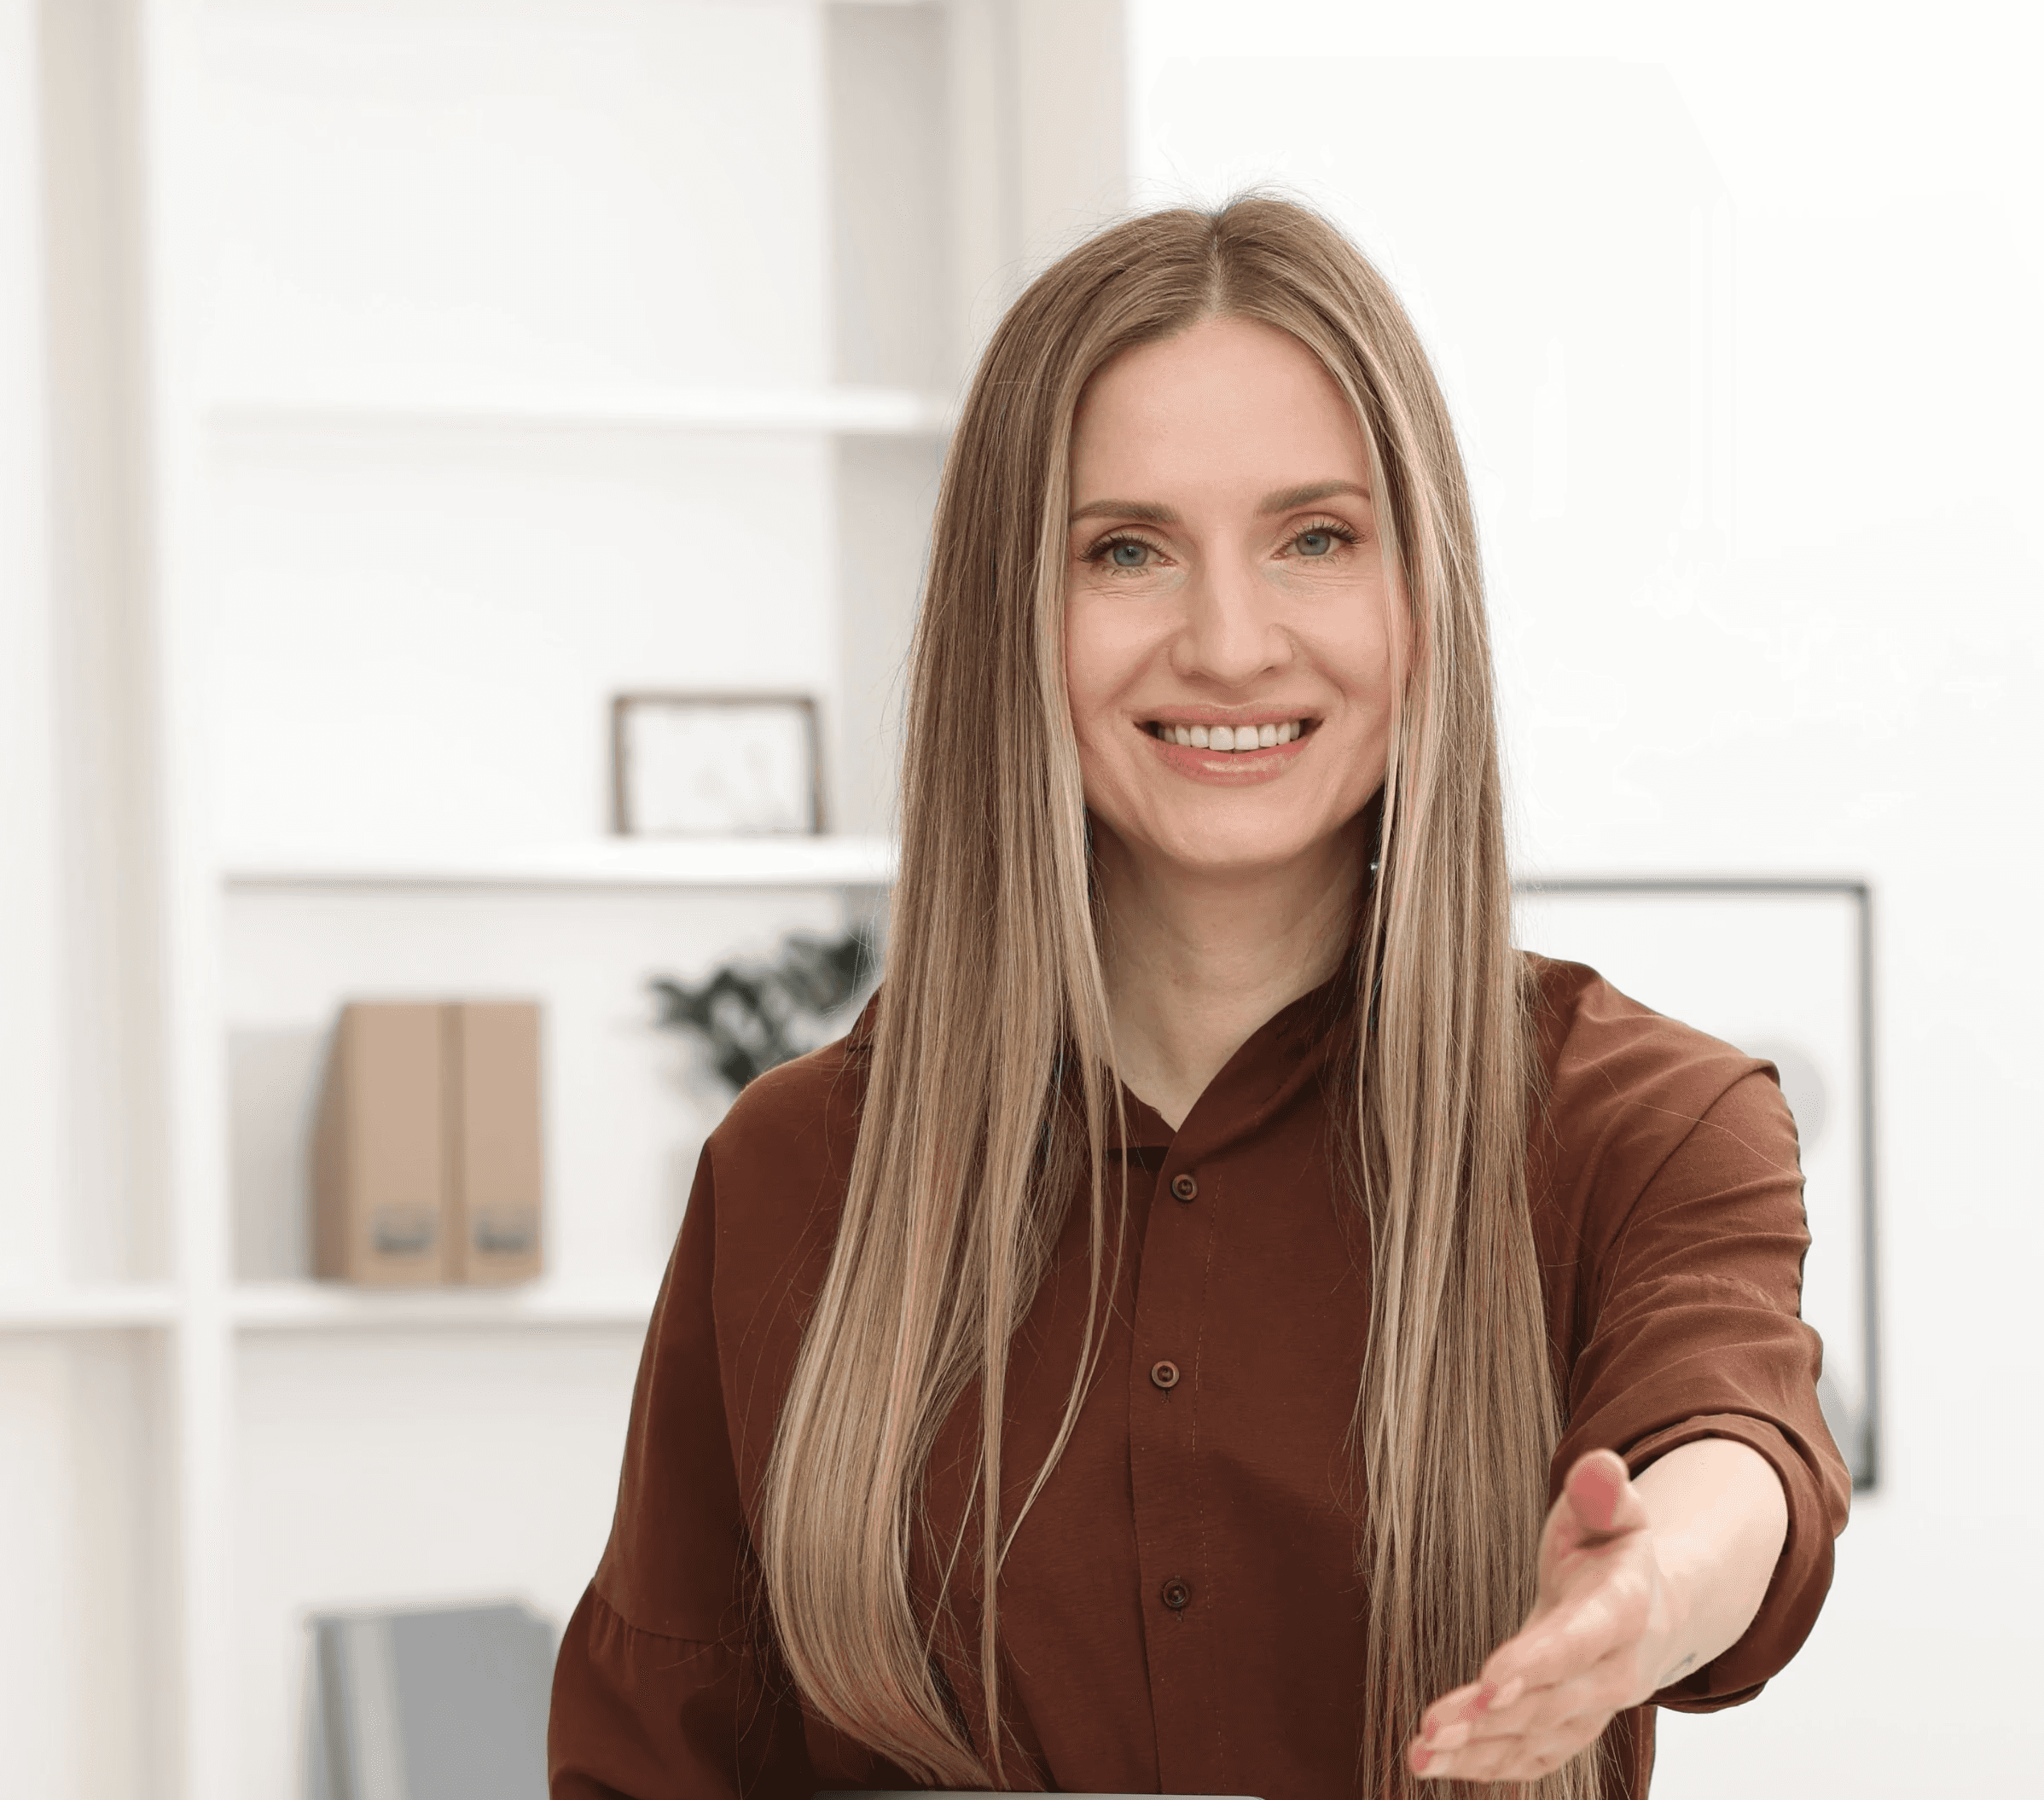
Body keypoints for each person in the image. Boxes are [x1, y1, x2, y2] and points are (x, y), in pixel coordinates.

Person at [548, 195, 1849, 1800]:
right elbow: (657, 1762)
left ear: (1420, 597)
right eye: (1125, 549)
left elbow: (1734, 1439)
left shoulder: (1644, 1120)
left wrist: (1648, 1588)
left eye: (1315, 537)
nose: (1228, 642)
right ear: (1007, 616)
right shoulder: (795, 1169)